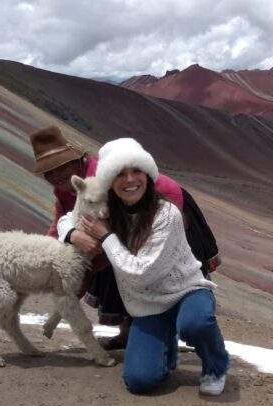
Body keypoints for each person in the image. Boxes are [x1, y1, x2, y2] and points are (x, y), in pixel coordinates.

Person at [29, 126, 220, 350]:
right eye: (49, 172)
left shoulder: (103, 177)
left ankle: (194, 325)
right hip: (118, 224)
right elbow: (63, 219)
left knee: (148, 266)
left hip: (161, 207)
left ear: (78, 160)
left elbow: (115, 224)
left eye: (61, 166)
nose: (55, 175)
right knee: (116, 264)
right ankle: (130, 333)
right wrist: (57, 245)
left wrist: (97, 248)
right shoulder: (68, 187)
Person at [74, 138, 230, 395]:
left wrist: (107, 238)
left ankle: (216, 365)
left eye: (137, 171)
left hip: (185, 293)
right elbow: (69, 218)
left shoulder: (166, 214)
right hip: (147, 306)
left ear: (148, 175)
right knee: (140, 381)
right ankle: (164, 347)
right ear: (110, 183)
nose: (130, 179)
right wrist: (71, 233)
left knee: (196, 324)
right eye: (120, 174)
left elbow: (141, 273)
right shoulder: (109, 213)